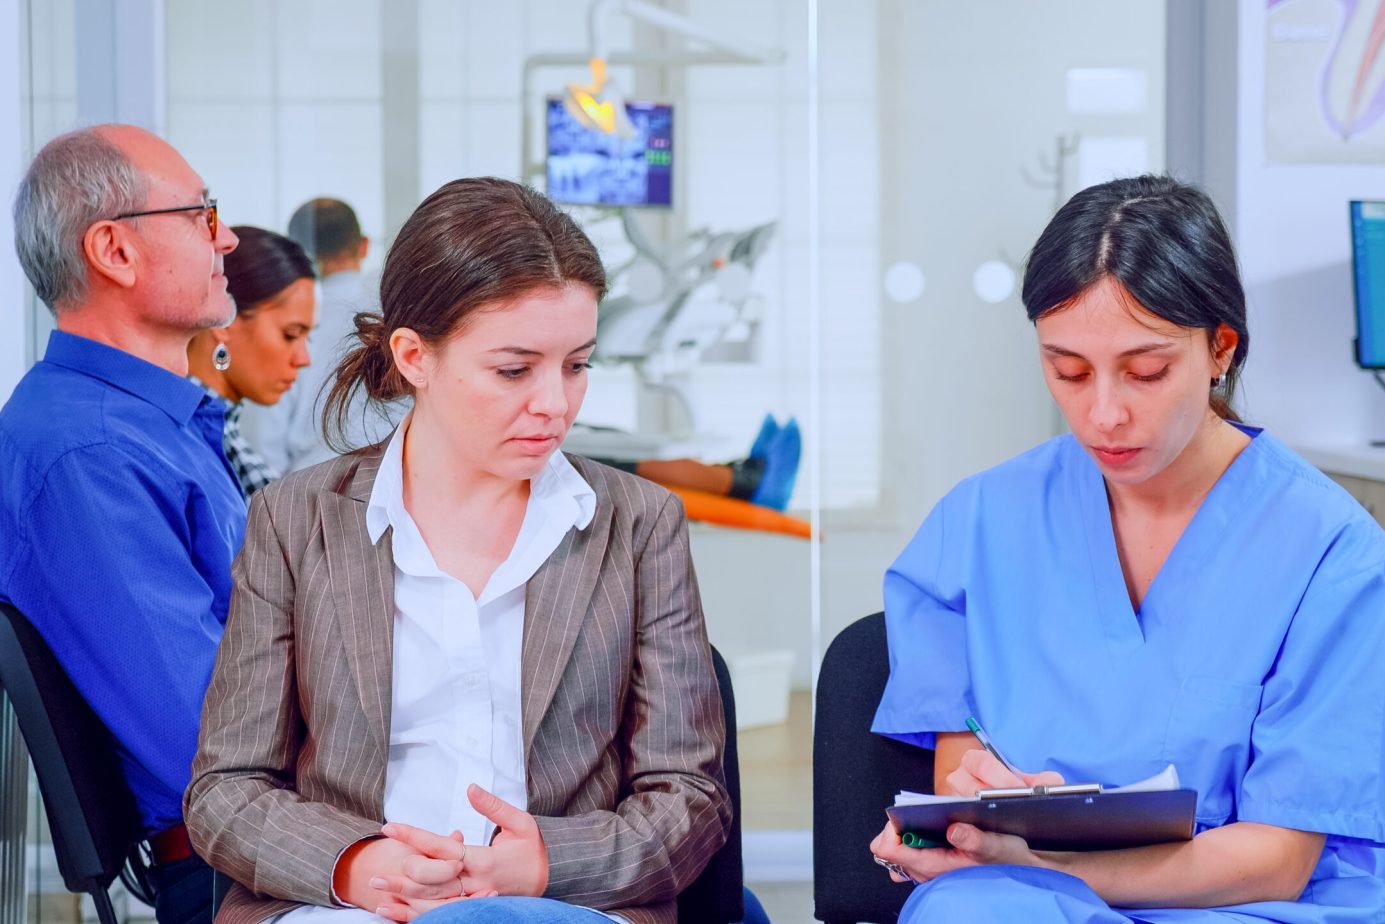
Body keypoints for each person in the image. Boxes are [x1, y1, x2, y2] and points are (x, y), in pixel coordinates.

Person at [184, 177, 731, 924]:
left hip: (555, 908)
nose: (555, 403)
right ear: (413, 356)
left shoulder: (637, 524)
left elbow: (689, 799)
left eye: (576, 366)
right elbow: (226, 789)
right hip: (347, 911)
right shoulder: (294, 520)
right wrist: (355, 863)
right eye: (514, 370)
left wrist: (547, 862)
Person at [868, 175, 1385, 922]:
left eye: (1145, 372)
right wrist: (977, 822)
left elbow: (1276, 860)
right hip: (1020, 898)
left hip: (1240, 902)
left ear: (1218, 350)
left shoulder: (1331, 555)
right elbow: (961, 768)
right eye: (1066, 371)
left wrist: (1052, 862)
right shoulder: (980, 522)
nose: (1101, 413)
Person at [0, 125, 245, 924]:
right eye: (202, 215)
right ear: (114, 250)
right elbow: (206, 744)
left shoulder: (151, 427)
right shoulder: (89, 451)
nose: (228, 237)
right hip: (239, 872)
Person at [245, 197, 403, 474]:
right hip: (397, 483)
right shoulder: (398, 310)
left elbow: (267, 440)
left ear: (297, 255)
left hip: (308, 494)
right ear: (364, 245)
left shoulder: (281, 319)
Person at [186, 225, 316, 497]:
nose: (303, 359)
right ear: (224, 320)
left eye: (308, 339)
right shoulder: (191, 443)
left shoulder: (221, 434)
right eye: (290, 335)